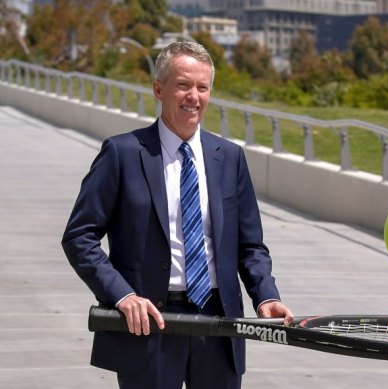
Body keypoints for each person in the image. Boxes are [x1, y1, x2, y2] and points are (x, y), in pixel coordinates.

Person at [62, 41, 293, 389]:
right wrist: (122, 296)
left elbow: (250, 246)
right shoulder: (122, 153)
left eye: (202, 87)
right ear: (159, 89)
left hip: (219, 325)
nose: (193, 96)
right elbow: (79, 236)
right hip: (150, 324)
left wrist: (266, 296)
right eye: (183, 85)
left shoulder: (229, 158)